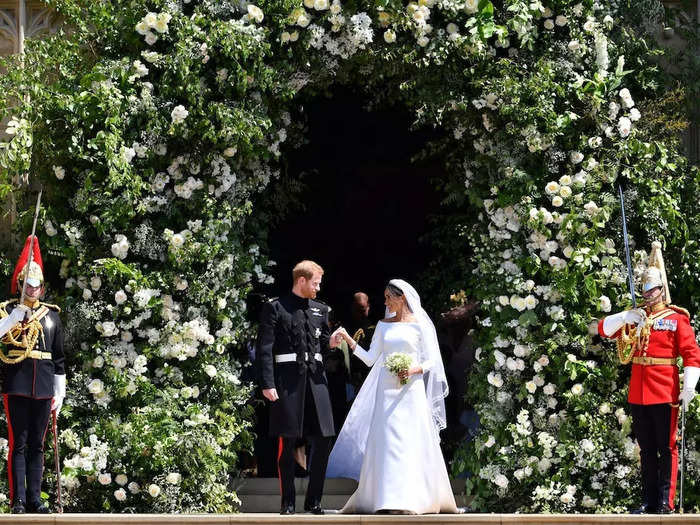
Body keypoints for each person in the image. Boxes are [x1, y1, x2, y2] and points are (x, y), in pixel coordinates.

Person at [327, 279, 459, 514]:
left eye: (389, 296)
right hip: (386, 390)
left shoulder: (419, 325)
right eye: (385, 296)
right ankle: (385, 498)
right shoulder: (383, 325)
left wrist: (413, 369)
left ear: (402, 298)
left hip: (411, 388)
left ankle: (414, 498)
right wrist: (348, 339)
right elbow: (370, 358)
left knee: (411, 440)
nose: (385, 301)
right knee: (387, 442)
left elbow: (432, 360)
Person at [597, 242, 700, 514]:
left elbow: (691, 354)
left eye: (652, 290)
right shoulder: (636, 316)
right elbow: (603, 330)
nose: (648, 295)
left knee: (666, 449)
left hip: (665, 391)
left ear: (662, 290)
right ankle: (649, 501)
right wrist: (625, 315)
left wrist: (688, 386)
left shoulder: (678, 319)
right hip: (639, 393)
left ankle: (665, 503)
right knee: (645, 451)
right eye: (645, 290)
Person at [256, 260, 336, 514]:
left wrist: (332, 341)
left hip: (317, 383)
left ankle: (314, 500)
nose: (318, 288)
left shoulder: (321, 310)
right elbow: (265, 349)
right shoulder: (275, 308)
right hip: (287, 383)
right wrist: (267, 383)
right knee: (287, 442)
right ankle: (287, 501)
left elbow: (322, 343)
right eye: (315, 283)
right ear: (301, 280)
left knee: (324, 439)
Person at [0, 236, 66, 514]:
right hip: (17, 382)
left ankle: (36, 500)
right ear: (21, 285)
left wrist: (59, 391)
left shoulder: (51, 317)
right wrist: (14, 318)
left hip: (42, 386)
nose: (34, 290)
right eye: (29, 285)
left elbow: (59, 358)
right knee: (19, 444)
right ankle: (18, 500)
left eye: (37, 286)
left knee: (38, 445)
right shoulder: (9, 312)